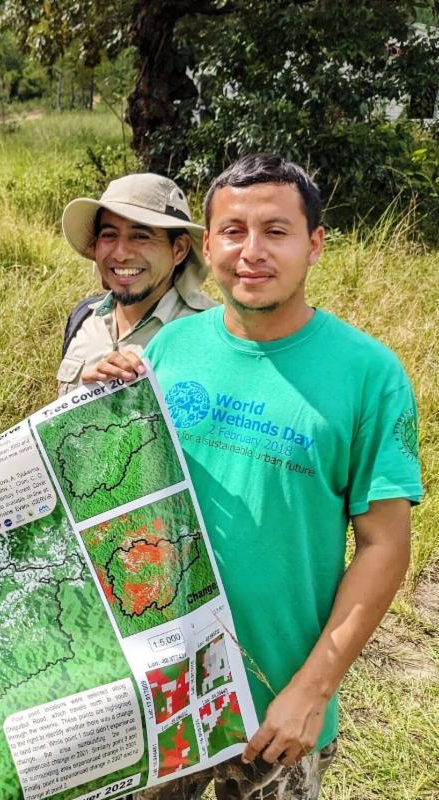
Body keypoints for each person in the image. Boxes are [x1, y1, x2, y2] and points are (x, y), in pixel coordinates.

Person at [90, 154, 421, 800]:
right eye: (234, 231)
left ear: (315, 244)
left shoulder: (369, 376)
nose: (252, 251)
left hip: (279, 701)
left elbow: (386, 545)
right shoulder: (170, 350)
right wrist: (97, 410)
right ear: (207, 245)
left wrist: (313, 690)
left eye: (276, 231)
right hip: (165, 688)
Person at [57, 173, 215, 395]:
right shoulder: (83, 318)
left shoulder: (211, 333)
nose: (120, 254)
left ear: (178, 249)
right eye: (109, 235)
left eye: (141, 236)